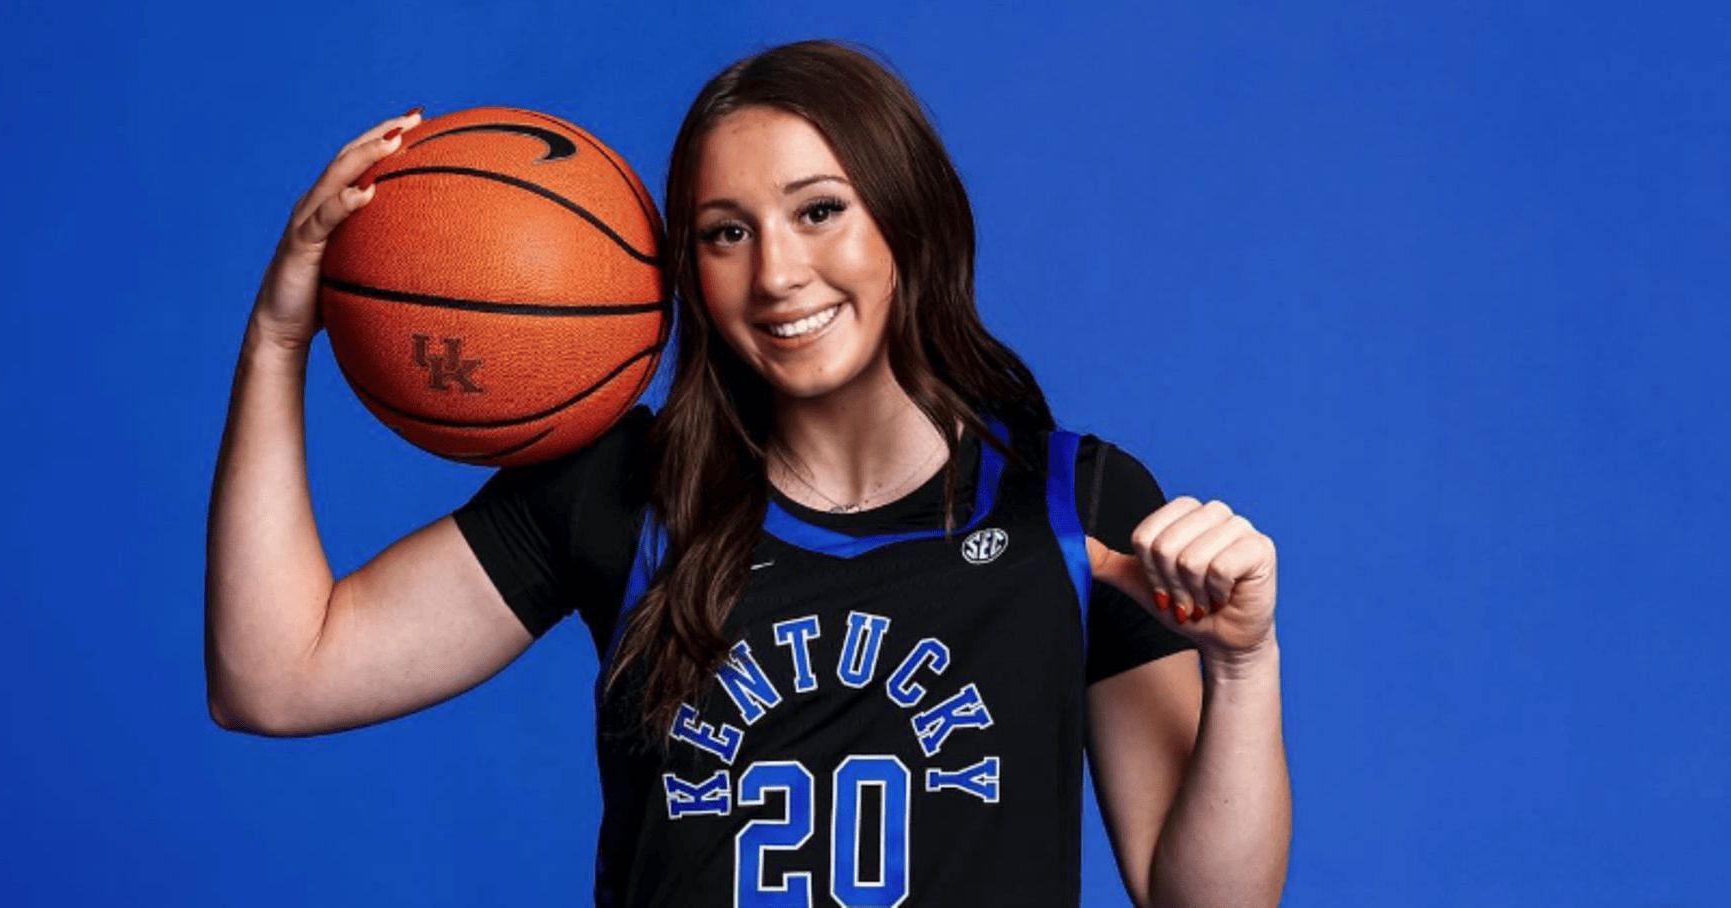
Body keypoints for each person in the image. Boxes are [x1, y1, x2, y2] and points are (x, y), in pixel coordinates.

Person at [208, 38, 1290, 908]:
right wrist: (277, 338)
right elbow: (276, 675)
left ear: (907, 221)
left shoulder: (1072, 506)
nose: (777, 274)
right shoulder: (625, 490)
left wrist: (1242, 668)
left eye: (819, 210)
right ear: (688, 271)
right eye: (727, 233)